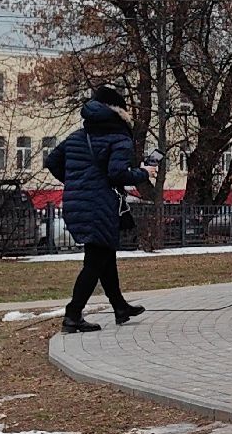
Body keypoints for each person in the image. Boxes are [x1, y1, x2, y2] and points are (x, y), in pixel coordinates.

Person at [45, 85, 157, 334]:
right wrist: (143, 172)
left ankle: (119, 307)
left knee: (104, 255)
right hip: (100, 204)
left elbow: (51, 161)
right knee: (95, 261)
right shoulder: (119, 138)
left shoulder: (77, 136)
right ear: (119, 113)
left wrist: (75, 183)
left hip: (76, 203)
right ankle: (73, 315)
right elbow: (117, 173)